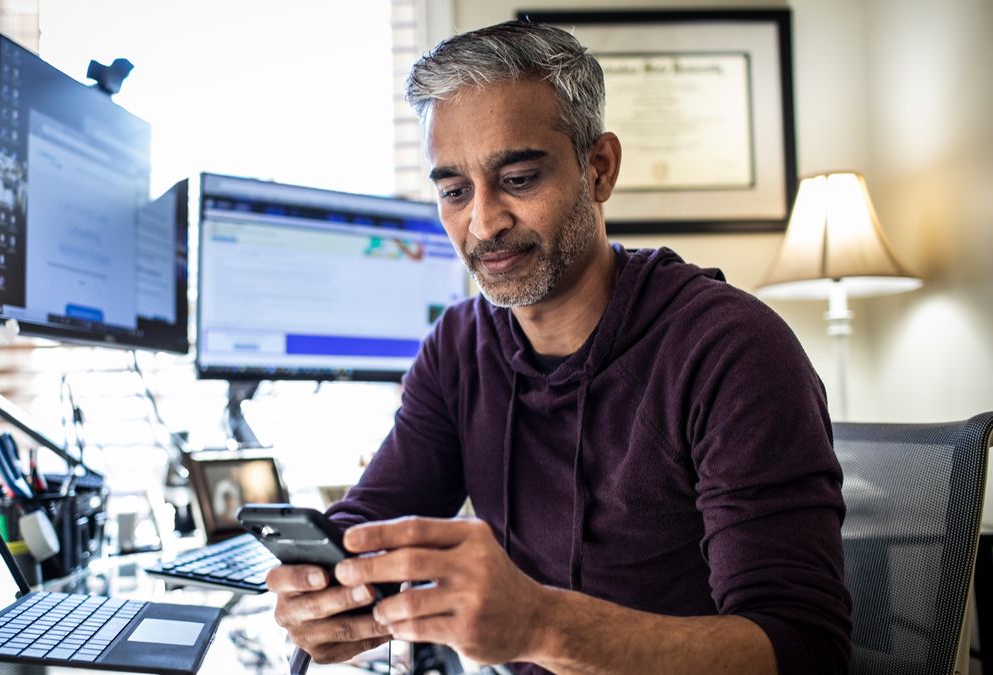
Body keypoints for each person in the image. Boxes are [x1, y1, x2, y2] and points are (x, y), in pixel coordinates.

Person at [266, 21, 850, 675]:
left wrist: (542, 624)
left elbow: (804, 648)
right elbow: (374, 518)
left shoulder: (733, 351)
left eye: (517, 177)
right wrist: (324, 589)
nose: (483, 224)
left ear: (598, 168)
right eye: (454, 191)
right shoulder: (459, 347)